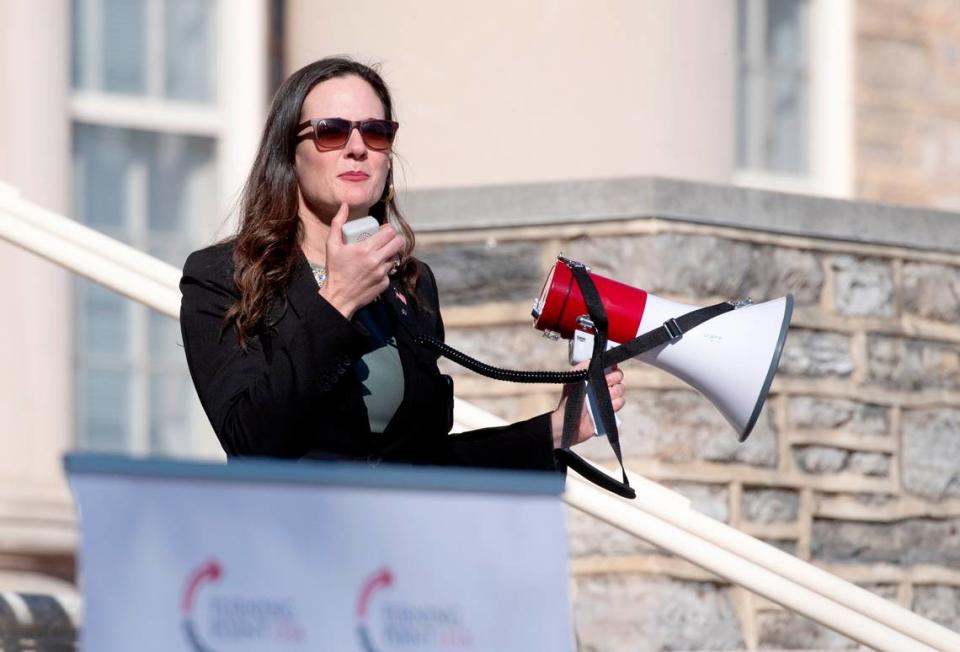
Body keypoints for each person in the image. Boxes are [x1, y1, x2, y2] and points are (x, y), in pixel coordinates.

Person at [179, 57, 625, 471]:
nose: (357, 148)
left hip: (397, 545)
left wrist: (556, 429)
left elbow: (422, 461)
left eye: (375, 132)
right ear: (289, 153)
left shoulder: (410, 284)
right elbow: (250, 440)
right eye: (331, 131)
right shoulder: (224, 277)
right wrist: (336, 302)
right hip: (296, 543)